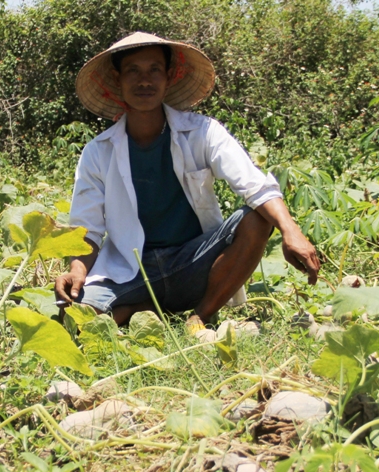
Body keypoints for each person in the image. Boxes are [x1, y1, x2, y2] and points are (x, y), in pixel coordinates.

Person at [54, 32, 320, 337]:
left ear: (168, 77)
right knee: (72, 316)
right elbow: (86, 229)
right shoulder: (99, 151)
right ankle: (145, 307)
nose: (144, 80)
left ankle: (200, 317)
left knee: (257, 219)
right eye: (133, 71)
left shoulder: (203, 132)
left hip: (195, 262)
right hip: (131, 271)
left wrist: (291, 231)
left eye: (154, 69)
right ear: (117, 79)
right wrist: (77, 271)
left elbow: (253, 184)